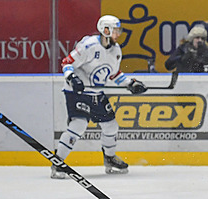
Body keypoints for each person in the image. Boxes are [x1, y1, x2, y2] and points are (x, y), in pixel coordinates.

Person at [52, 15, 148, 179]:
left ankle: (109, 158)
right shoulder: (89, 46)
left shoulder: (116, 51)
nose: (119, 33)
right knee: (79, 125)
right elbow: (66, 63)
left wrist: (130, 84)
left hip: (95, 94)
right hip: (77, 92)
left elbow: (114, 75)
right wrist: (72, 78)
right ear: (106, 30)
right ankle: (58, 163)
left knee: (111, 125)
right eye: (116, 30)